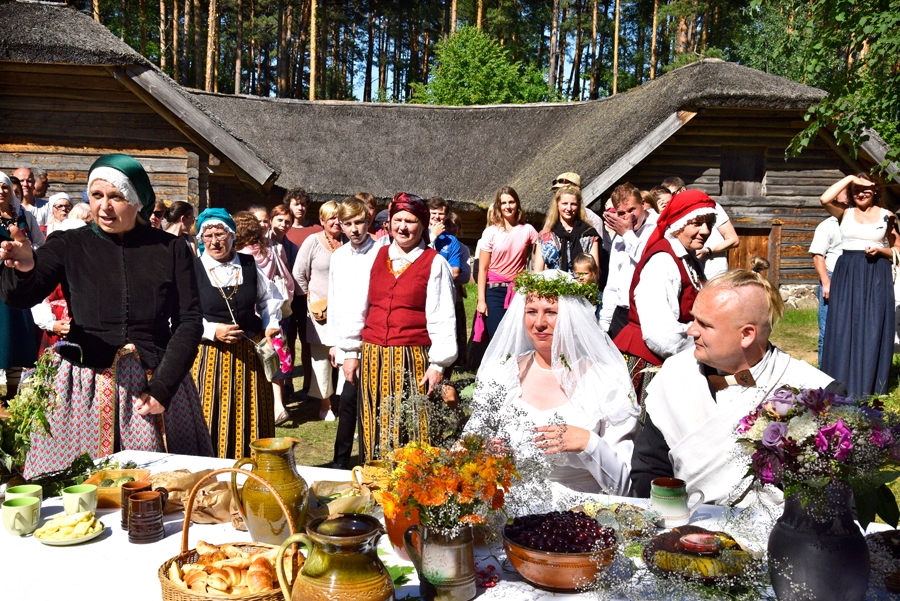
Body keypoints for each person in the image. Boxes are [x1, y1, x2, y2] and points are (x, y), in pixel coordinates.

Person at [1, 154, 213, 477]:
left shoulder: (171, 250)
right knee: (75, 493)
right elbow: (21, 295)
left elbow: (189, 322)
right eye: (97, 196)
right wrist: (25, 269)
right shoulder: (69, 244)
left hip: (154, 385)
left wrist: (163, 389)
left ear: (138, 201)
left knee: (162, 494)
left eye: (116, 197)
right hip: (83, 388)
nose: (104, 207)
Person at [630, 270, 844, 505]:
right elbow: (649, 469)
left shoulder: (812, 392)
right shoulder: (675, 375)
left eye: (704, 324)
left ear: (746, 335)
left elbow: (832, 494)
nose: (691, 330)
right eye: (693, 319)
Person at [467, 270, 638, 495]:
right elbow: (466, 452)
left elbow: (623, 487)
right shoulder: (500, 374)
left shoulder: (605, 380)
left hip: (579, 514)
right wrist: (481, 454)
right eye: (531, 312)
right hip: (506, 505)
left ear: (572, 317)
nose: (539, 323)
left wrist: (588, 443)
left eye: (551, 312)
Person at [340, 193, 457, 461]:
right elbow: (359, 307)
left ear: (423, 225)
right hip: (372, 356)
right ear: (389, 223)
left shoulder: (434, 262)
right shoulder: (376, 256)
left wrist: (438, 364)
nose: (402, 227)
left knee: (413, 425)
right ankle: (374, 485)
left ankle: (414, 490)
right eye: (398, 220)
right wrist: (350, 352)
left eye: (411, 221)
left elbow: (442, 317)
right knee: (374, 421)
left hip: (412, 359)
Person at [191, 208, 282, 459]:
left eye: (220, 234)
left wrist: (270, 322)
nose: (214, 241)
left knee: (253, 412)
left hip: (249, 353)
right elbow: (178, 315)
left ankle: (253, 467)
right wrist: (211, 330)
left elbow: (270, 298)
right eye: (207, 236)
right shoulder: (193, 269)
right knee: (213, 412)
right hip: (211, 357)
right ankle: (213, 468)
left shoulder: (249, 264)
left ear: (232, 236)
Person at [613, 190, 717, 402]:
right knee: (648, 430)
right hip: (650, 363)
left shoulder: (687, 257)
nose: (705, 231)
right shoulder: (663, 261)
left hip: (676, 359)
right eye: (697, 223)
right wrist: (708, 348)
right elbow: (661, 333)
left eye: (709, 223)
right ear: (679, 223)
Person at [819, 174, 899, 397]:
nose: (861, 194)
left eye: (866, 190)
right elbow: (824, 199)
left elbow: (898, 249)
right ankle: (839, 384)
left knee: (872, 324)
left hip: (876, 272)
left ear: (875, 191)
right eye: (856, 190)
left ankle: (867, 385)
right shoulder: (844, 213)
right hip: (847, 272)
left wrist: (880, 251)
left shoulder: (887, 216)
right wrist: (851, 178)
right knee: (843, 324)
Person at [328, 198, 379, 469]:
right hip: (348, 341)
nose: (354, 229)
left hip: (374, 338)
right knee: (347, 404)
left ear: (368, 220)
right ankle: (340, 464)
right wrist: (337, 343)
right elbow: (335, 300)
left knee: (374, 405)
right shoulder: (338, 256)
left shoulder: (381, 252)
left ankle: (374, 461)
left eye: (358, 222)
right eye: (347, 224)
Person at [233, 210, 295, 426]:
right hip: (274, 312)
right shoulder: (271, 250)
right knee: (273, 356)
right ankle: (279, 405)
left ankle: (260, 403)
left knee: (256, 360)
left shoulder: (239, 255)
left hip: (251, 314)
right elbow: (288, 280)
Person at [293, 200, 344, 421]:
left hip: (346, 311)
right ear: (322, 221)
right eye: (331, 217)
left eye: (339, 217)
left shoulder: (349, 241)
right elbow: (298, 274)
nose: (336, 221)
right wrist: (310, 299)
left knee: (345, 355)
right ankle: (325, 405)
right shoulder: (312, 242)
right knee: (321, 359)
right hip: (320, 313)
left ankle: (344, 401)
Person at [475, 187, 538, 341]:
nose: (508, 206)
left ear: (517, 204)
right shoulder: (490, 232)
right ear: (498, 206)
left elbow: (543, 249)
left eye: (511, 202)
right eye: (503, 203)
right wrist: (481, 300)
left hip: (519, 290)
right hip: (494, 291)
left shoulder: (528, 230)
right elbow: (482, 269)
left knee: (518, 337)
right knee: (498, 337)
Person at [599, 183, 658, 339]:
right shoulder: (620, 237)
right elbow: (613, 282)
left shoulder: (657, 228)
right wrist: (605, 323)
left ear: (643, 204)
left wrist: (628, 235)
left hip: (648, 313)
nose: (629, 216)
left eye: (633, 209)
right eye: (622, 213)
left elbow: (649, 262)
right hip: (622, 312)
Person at [0, 171, 41, 395]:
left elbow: (40, 244)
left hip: (18, 283)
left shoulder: (24, 216)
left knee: (14, 337)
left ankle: (12, 394)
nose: (1, 191)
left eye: (4, 186)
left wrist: (27, 254)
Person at [283, 187, 323, 399]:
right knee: (288, 339)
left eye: (303, 204)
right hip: (287, 295)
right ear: (289, 205)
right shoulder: (283, 229)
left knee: (308, 340)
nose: (300, 207)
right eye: (296, 203)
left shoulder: (316, 230)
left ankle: (309, 383)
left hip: (308, 295)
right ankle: (288, 382)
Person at [808, 192, 847, 366]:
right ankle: (825, 372)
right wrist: (826, 283)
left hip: (856, 280)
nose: (847, 197)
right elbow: (818, 256)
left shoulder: (862, 222)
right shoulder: (827, 225)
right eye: (843, 193)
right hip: (833, 279)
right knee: (827, 330)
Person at [535, 186, 600, 275]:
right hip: (549, 286)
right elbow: (537, 273)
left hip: (580, 287)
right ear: (557, 204)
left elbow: (594, 273)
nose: (569, 208)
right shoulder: (545, 236)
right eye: (564, 203)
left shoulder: (589, 235)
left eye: (573, 204)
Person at [446, 210, 471, 369]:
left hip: (455, 297)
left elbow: (464, 276)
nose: (453, 229)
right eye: (449, 225)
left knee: (456, 332)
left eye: (456, 226)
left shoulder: (463, 249)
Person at [427, 197, 462, 280]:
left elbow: (455, 272)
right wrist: (433, 236)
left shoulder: (452, 240)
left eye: (441, 213)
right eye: (433, 213)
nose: (437, 216)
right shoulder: (419, 233)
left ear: (446, 216)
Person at [572, 253, 601, 320]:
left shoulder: (599, 298)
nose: (581, 277)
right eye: (577, 274)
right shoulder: (572, 296)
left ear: (595, 273)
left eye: (585, 273)